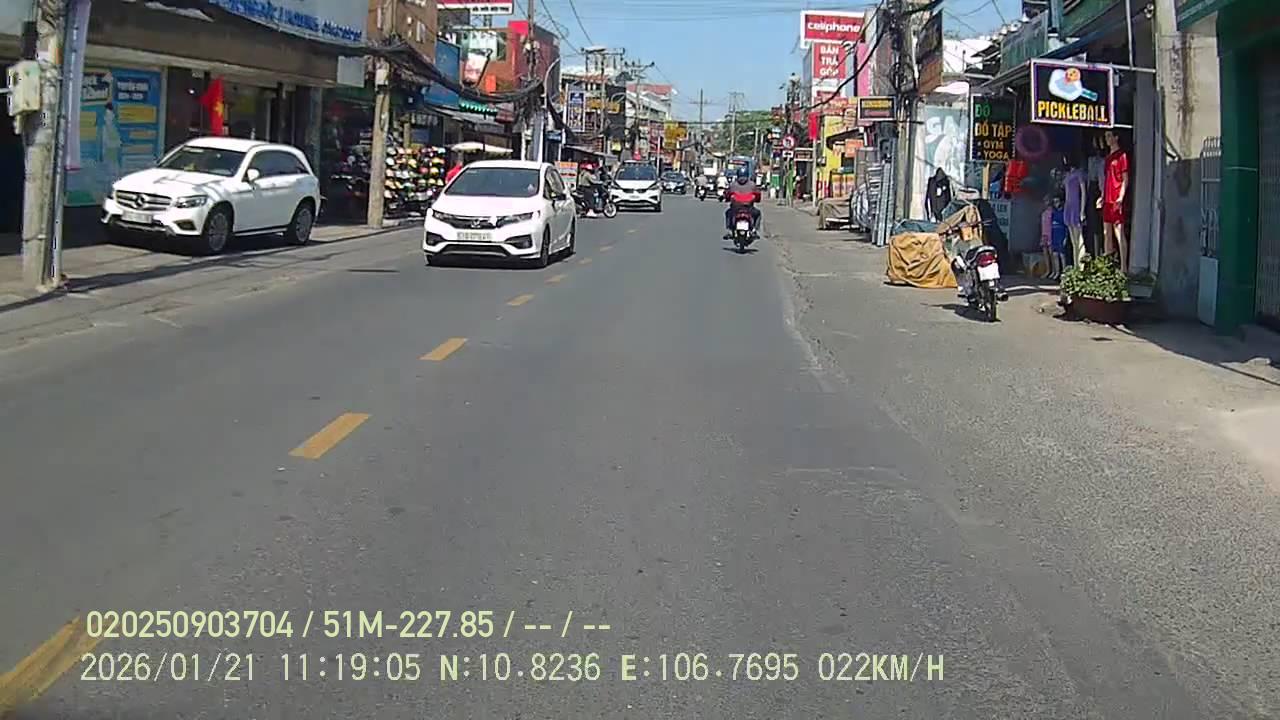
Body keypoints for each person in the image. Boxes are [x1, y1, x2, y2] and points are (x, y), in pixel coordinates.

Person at [1097, 130, 1130, 274]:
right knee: (1106, 232)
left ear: (1116, 137)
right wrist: (1102, 196)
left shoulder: (1122, 156)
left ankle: (1124, 267)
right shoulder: (1108, 158)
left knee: (1118, 232)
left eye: (1109, 136)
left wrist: (1121, 197)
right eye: (1106, 136)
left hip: (1116, 199)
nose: (1107, 139)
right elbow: (1106, 179)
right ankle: (1108, 267)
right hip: (1107, 198)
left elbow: (1125, 179)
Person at [723, 167, 761, 239]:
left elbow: (727, 194)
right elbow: (758, 195)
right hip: (749, 208)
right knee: (758, 213)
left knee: (728, 213)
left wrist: (727, 198)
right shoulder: (752, 185)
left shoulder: (733, 185)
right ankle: (754, 230)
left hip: (735, 209)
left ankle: (730, 230)